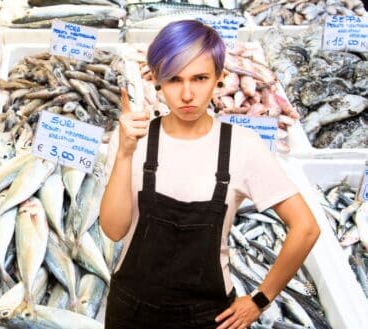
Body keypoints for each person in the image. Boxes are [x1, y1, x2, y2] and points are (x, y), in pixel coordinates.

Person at [100, 20, 320, 329]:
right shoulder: (133, 139)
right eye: (174, 80)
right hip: (131, 309)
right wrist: (124, 153)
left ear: (220, 78)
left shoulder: (243, 147)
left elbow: (306, 228)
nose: (187, 94)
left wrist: (260, 299)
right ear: (156, 81)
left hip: (210, 317)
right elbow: (113, 230)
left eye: (200, 78)